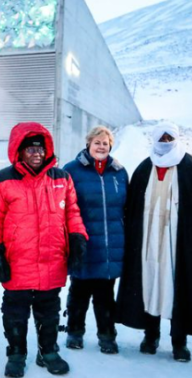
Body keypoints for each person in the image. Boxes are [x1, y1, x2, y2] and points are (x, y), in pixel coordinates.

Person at [0, 122, 88, 378]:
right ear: (19, 151)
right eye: (30, 149)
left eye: (40, 148)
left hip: (52, 260)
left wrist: (78, 237)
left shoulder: (62, 178)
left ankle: (48, 351)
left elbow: (72, 212)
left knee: (49, 312)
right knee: (15, 313)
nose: (36, 153)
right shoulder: (1, 180)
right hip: (17, 262)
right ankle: (16, 354)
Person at [116, 122, 192, 362]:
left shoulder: (189, 166)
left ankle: (178, 341)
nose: (164, 141)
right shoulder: (144, 167)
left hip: (179, 239)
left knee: (177, 284)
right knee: (149, 282)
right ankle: (151, 335)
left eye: (168, 137)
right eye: (160, 137)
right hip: (148, 238)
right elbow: (131, 207)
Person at [62, 126, 128, 354]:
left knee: (105, 295)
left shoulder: (119, 172)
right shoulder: (71, 170)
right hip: (83, 241)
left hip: (110, 244)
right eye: (97, 142)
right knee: (79, 291)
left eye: (105, 143)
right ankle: (74, 332)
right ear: (88, 144)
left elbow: (126, 208)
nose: (101, 147)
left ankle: (107, 336)